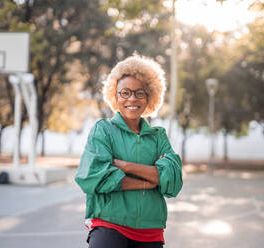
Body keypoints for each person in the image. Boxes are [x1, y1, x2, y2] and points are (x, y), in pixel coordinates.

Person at [75, 55, 183, 248]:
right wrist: (148, 181)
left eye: (139, 93)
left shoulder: (158, 136)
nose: (132, 99)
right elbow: (92, 177)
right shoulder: (103, 130)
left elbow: (172, 179)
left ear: (149, 96)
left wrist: (125, 166)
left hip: (150, 228)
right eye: (125, 93)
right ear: (115, 97)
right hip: (109, 223)